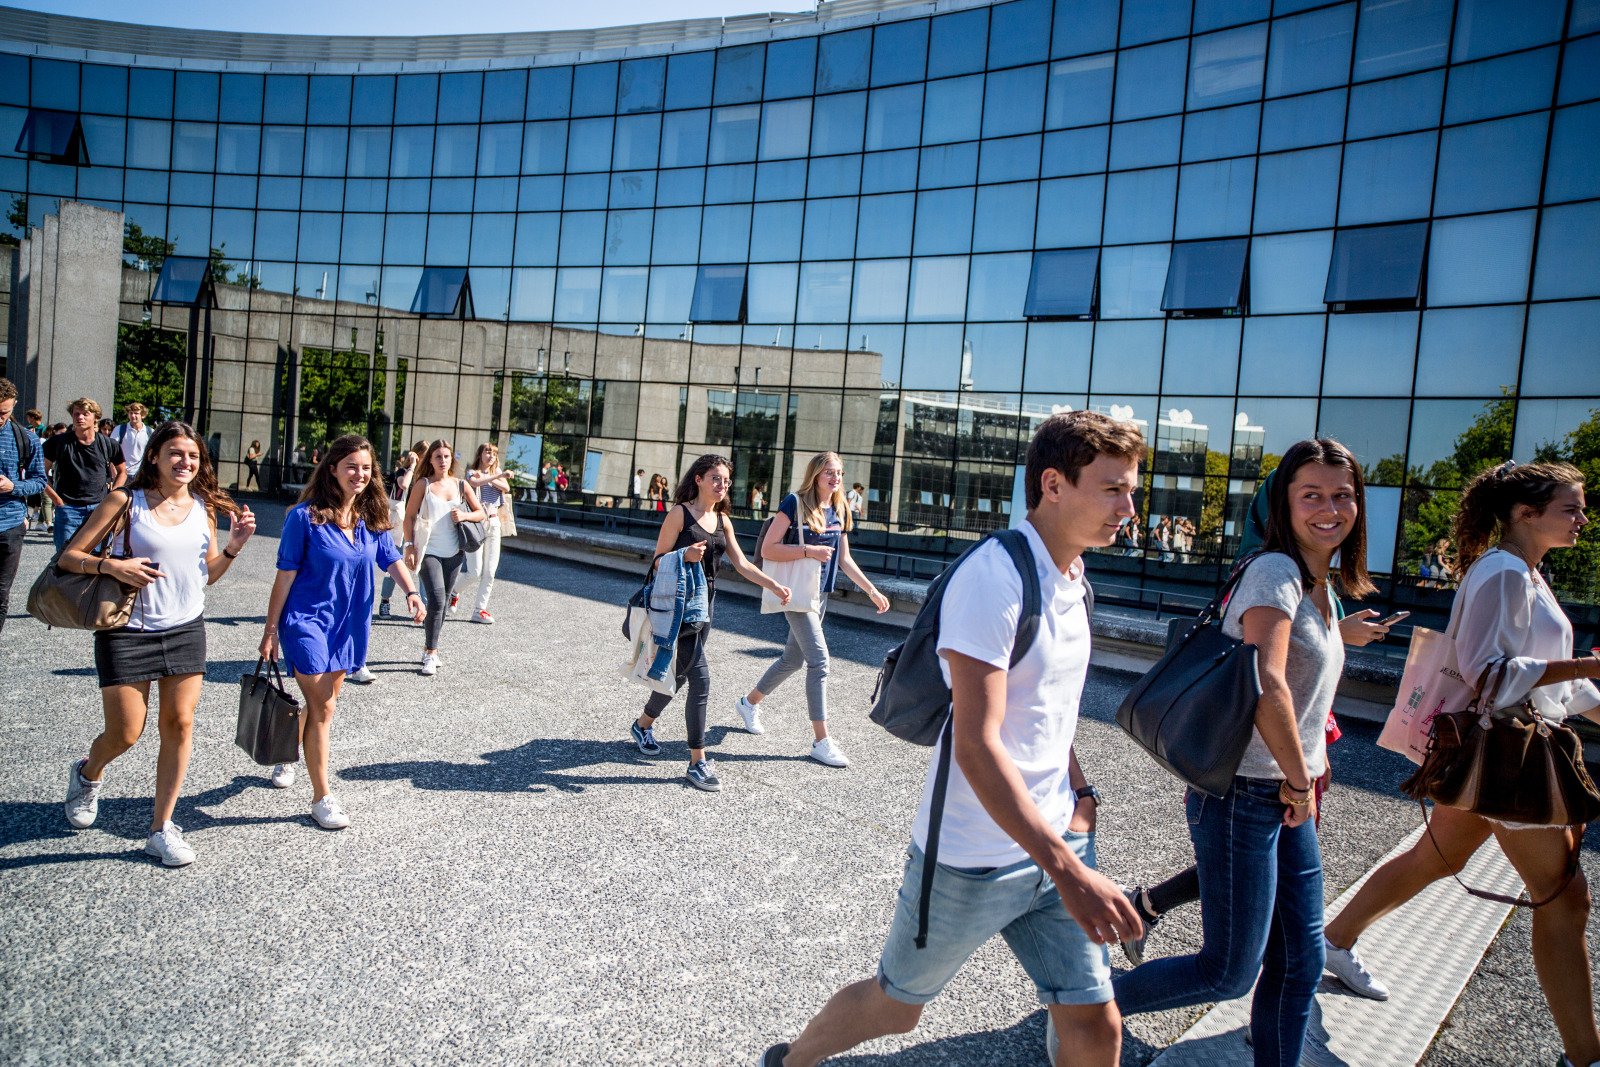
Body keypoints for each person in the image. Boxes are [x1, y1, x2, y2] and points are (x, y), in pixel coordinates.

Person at [762, 412, 1146, 1067]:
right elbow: (976, 742)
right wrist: (1070, 867)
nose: (1129, 508)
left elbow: (1048, 710)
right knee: (897, 1005)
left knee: (1095, 1023)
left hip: (1056, 845)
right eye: (1113, 489)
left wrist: (1080, 794)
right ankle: (790, 1061)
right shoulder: (995, 576)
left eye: (1130, 490)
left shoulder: (1076, 580)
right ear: (1053, 485)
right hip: (972, 857)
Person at [1322, 460, 1600, 1067]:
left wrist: (1587, 688)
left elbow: (1540, 680)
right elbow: (1490, 675)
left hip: (1506, 750)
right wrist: (1584, 669)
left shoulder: (1526, 572)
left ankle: (1334, 941)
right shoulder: (1503, 572)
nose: (1583, 518)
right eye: (1570, 507)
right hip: (1508, 757)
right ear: (1526, 513)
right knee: (1565, 897)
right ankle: (1586, 1056)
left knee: (1434, 858)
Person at [1113, 437, 1377, 1066]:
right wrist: (1295, 776)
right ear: (1282, 504)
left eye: (1343, 495)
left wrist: (1310, 765)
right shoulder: (1275, 572)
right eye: (1310, 494)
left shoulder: (1321, 585)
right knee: (1229, 971)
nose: (1330, 507)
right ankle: (1088, 1005)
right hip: (1245, 795)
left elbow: (1305, 689)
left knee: (1300, 962)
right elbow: (1269, 682)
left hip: (1289, 790)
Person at [60, 421, 257, 867]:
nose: (185, 463)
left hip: (186, 628)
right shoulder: (124, 501)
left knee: (180, 725)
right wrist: (112, 566)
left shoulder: (204, 507)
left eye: (192, 456)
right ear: (154, 457)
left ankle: (160, 828)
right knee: (126, 732)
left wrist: (233, 549)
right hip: (127, 631)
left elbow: (204, 574)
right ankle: (88, 773)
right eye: (175, 453)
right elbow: (70, 557)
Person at [259, 435, 425, 828]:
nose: (360, 474)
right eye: (352, 466)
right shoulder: (304, 517)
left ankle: (288, 752)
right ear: (332, 468)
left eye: (366, 467)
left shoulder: (371, 518)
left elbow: (391, 558)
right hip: (306, 621)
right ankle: (322, 797)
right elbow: (285, 575)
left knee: (323, 701)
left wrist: (412, 592)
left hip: (348, 624)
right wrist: (270, 631)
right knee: (325, 706)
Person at [630, 453, 791, 792]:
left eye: (727, 481)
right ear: (699, 479)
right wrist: (683, 556)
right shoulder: (680, 514)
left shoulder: (722, 520)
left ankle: (643, 724)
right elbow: (657, 561)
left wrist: (774, 584)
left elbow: (743, 564)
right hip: (679, 605)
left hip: (707, 606)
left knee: (682, 673)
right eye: (716, 478)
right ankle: (697, 761)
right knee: (701, 681)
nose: (722, 485)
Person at [736, 452, 890, 767]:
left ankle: (748, 703)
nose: (834, 478)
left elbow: (844, 560)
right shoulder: (795, 503)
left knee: (792, 658)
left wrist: (872, 590)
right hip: (796, 593)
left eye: (838, 473)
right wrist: (809, 550)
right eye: (828, 473)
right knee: (819, 661)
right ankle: (821, 740)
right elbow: (768, 549)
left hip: (821, 595)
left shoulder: (840, 507)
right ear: (816, 475)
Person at [402, 439, 486, 676]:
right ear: (430, 460)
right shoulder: (423, 484)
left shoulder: (461, 485)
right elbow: (409, 517)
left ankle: (431, 646)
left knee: (444, 602)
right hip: (429, 551)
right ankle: (431, 653)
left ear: (452, 459)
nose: (442, 460)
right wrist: (409, 546)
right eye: (437, 456)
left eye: (446, 456)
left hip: (455, 552)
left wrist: (464, 516)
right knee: (437, 600)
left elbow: (480, 513)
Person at [43, 397, 125, 553]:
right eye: (76, 414)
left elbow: (122, 472)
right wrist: (57, 500)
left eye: (85, 414)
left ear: (95, 417)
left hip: (99, 510)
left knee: (94, 558)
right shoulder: (58, 442)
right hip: (68, 509)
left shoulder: (108, 444)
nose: (80, 417)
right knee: (65, 558)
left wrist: (113, 496)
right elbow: (40, 472)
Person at [0, 377, 47, 637]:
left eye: (4, 413)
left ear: (14, 406)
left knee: (0, 593)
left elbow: (40, 481)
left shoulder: (25, 438)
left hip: (9, 524)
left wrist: (13, 487)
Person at [452, 442, 511, 624]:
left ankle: (480, 610)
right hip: (476, 523)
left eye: (493, 453)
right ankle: (453, 592)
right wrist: (496, 476)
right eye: (487, 451)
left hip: (494, 522)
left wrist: (492, 476)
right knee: (474, 571)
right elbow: (474, 482)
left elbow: (506, 488)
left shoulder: (496, 472)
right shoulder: (472, 471)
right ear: (480, 454)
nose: (490, 455)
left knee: (490, 571)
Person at [378, 450, 418, 620]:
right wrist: (412, 467)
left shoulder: (427, 478)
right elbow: (404, 485)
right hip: (400, 522)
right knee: (394, 560)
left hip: (418, 522)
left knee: (419, 564)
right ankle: (385, 600)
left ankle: (421, 602)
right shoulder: (403, 472)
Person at [111, 403, 152, 480]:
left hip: (141, 474)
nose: (133, 416)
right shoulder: (119, 430)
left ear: (142, 415)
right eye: (131, 413)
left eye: (136, 413)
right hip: (122, 474)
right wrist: (113, 470)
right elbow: (111, 451)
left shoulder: (150, 432)